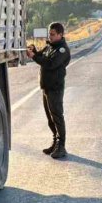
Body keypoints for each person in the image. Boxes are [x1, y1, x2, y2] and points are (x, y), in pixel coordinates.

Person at [26, 22, 71, 159]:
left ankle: (61, 146)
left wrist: (34, 57)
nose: (50, 37)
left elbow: (50, 64)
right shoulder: (50, 47)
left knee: (57, 116)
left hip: (55, 88)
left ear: (60, 34)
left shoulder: (62, 50)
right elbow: (40, 56)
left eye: (52, 34)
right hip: (46, 88)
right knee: (50, 118)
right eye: (49, 34)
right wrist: (33, 51)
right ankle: (55, 142)